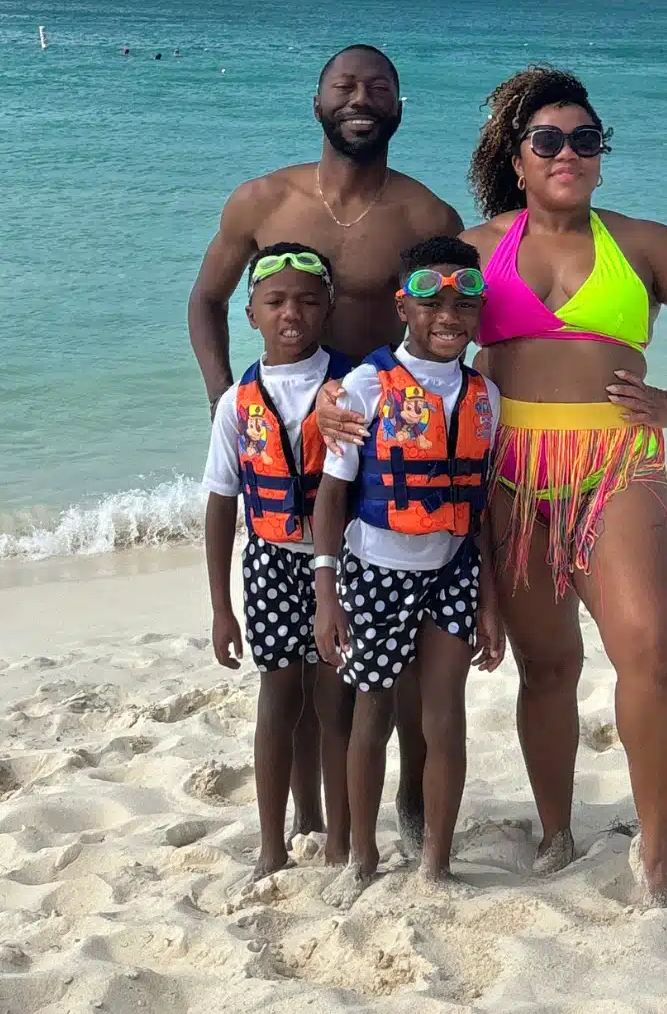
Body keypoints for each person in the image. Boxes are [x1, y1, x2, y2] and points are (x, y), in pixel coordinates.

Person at [461, 66, 667, 906]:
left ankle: (657, 854)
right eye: (548, 140)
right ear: (518, 160)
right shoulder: (478, 249)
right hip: (513, 475)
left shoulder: (642, 244)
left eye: (586, 139)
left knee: (650, 652)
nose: (569, 152)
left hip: (617, 464)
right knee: (548, 665)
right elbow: (417, 344)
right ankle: (556, 831)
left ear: (602, 157)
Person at [188, 43, 464, 850]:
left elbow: (451, 326)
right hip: (283, 445)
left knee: (390, 656)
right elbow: (206, 300)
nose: (361, 97)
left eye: (379, 86)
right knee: (302, 665)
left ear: (400, 109)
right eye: (344, 85)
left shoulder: (425, 217)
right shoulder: (262, 200)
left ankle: (402, 806)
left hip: (380, 460)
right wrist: (222, 402)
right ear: (316, 103)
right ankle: (312, 820)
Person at [313, 237, 506, 899]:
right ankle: (362, 857)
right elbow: (331, 496)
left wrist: (489, 599)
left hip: (452, 567)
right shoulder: (364, 388)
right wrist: (325, 592)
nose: (448, 315)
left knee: (444, 713)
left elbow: (478, 506)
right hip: (376, 571)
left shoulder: (486, 396)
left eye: (464, 302)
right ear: (403, 305)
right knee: (373, 715)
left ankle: (437, 863)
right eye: (432, 301)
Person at [202, 243, 356, 880]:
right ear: (251, 315)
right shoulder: (238, 404)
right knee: (279, 699)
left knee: (334, 698)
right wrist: (220, 609)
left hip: (344, 563)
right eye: (276, 301)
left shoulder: (352, 387)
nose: (291, 311)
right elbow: (220, 504)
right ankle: (281, 837)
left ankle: (340, 834)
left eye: (307, 300)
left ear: (328, 309)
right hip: (267, 560)